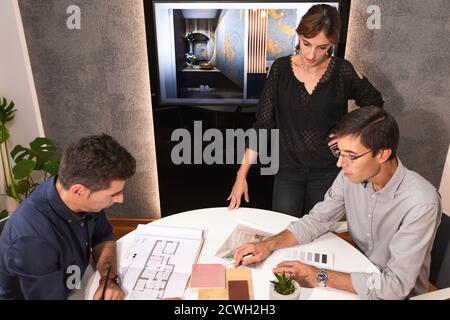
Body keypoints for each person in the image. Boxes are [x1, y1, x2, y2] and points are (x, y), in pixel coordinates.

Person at [233, 107, 441, 299]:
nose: (340, 164)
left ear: (382, 154)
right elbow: (316, 221)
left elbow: (395, 286)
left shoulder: (420, 204)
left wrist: (319, 276)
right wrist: (267, 244)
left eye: (351, 156)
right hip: (359, 275)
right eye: (339, 153)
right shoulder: (350, 176)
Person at [227, 4, 384, 217]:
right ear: (299, 35)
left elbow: (375, 104)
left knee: (322, 234)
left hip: (329, 170)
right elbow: (262, 127)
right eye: (306, 43)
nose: (311, 54)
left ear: (332, 44)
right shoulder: (280, 69)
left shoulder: (343, 71)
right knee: (283, 229)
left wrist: (348, 134)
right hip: (288, 171)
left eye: (322, 47)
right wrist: (241, 175)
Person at [0, 134, 136, 300]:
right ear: (79, 191)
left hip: (73, 283)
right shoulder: (33, 239)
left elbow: (103, 238)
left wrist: (107, 280)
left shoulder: (77, 195)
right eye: (114, 194)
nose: (120, 199)